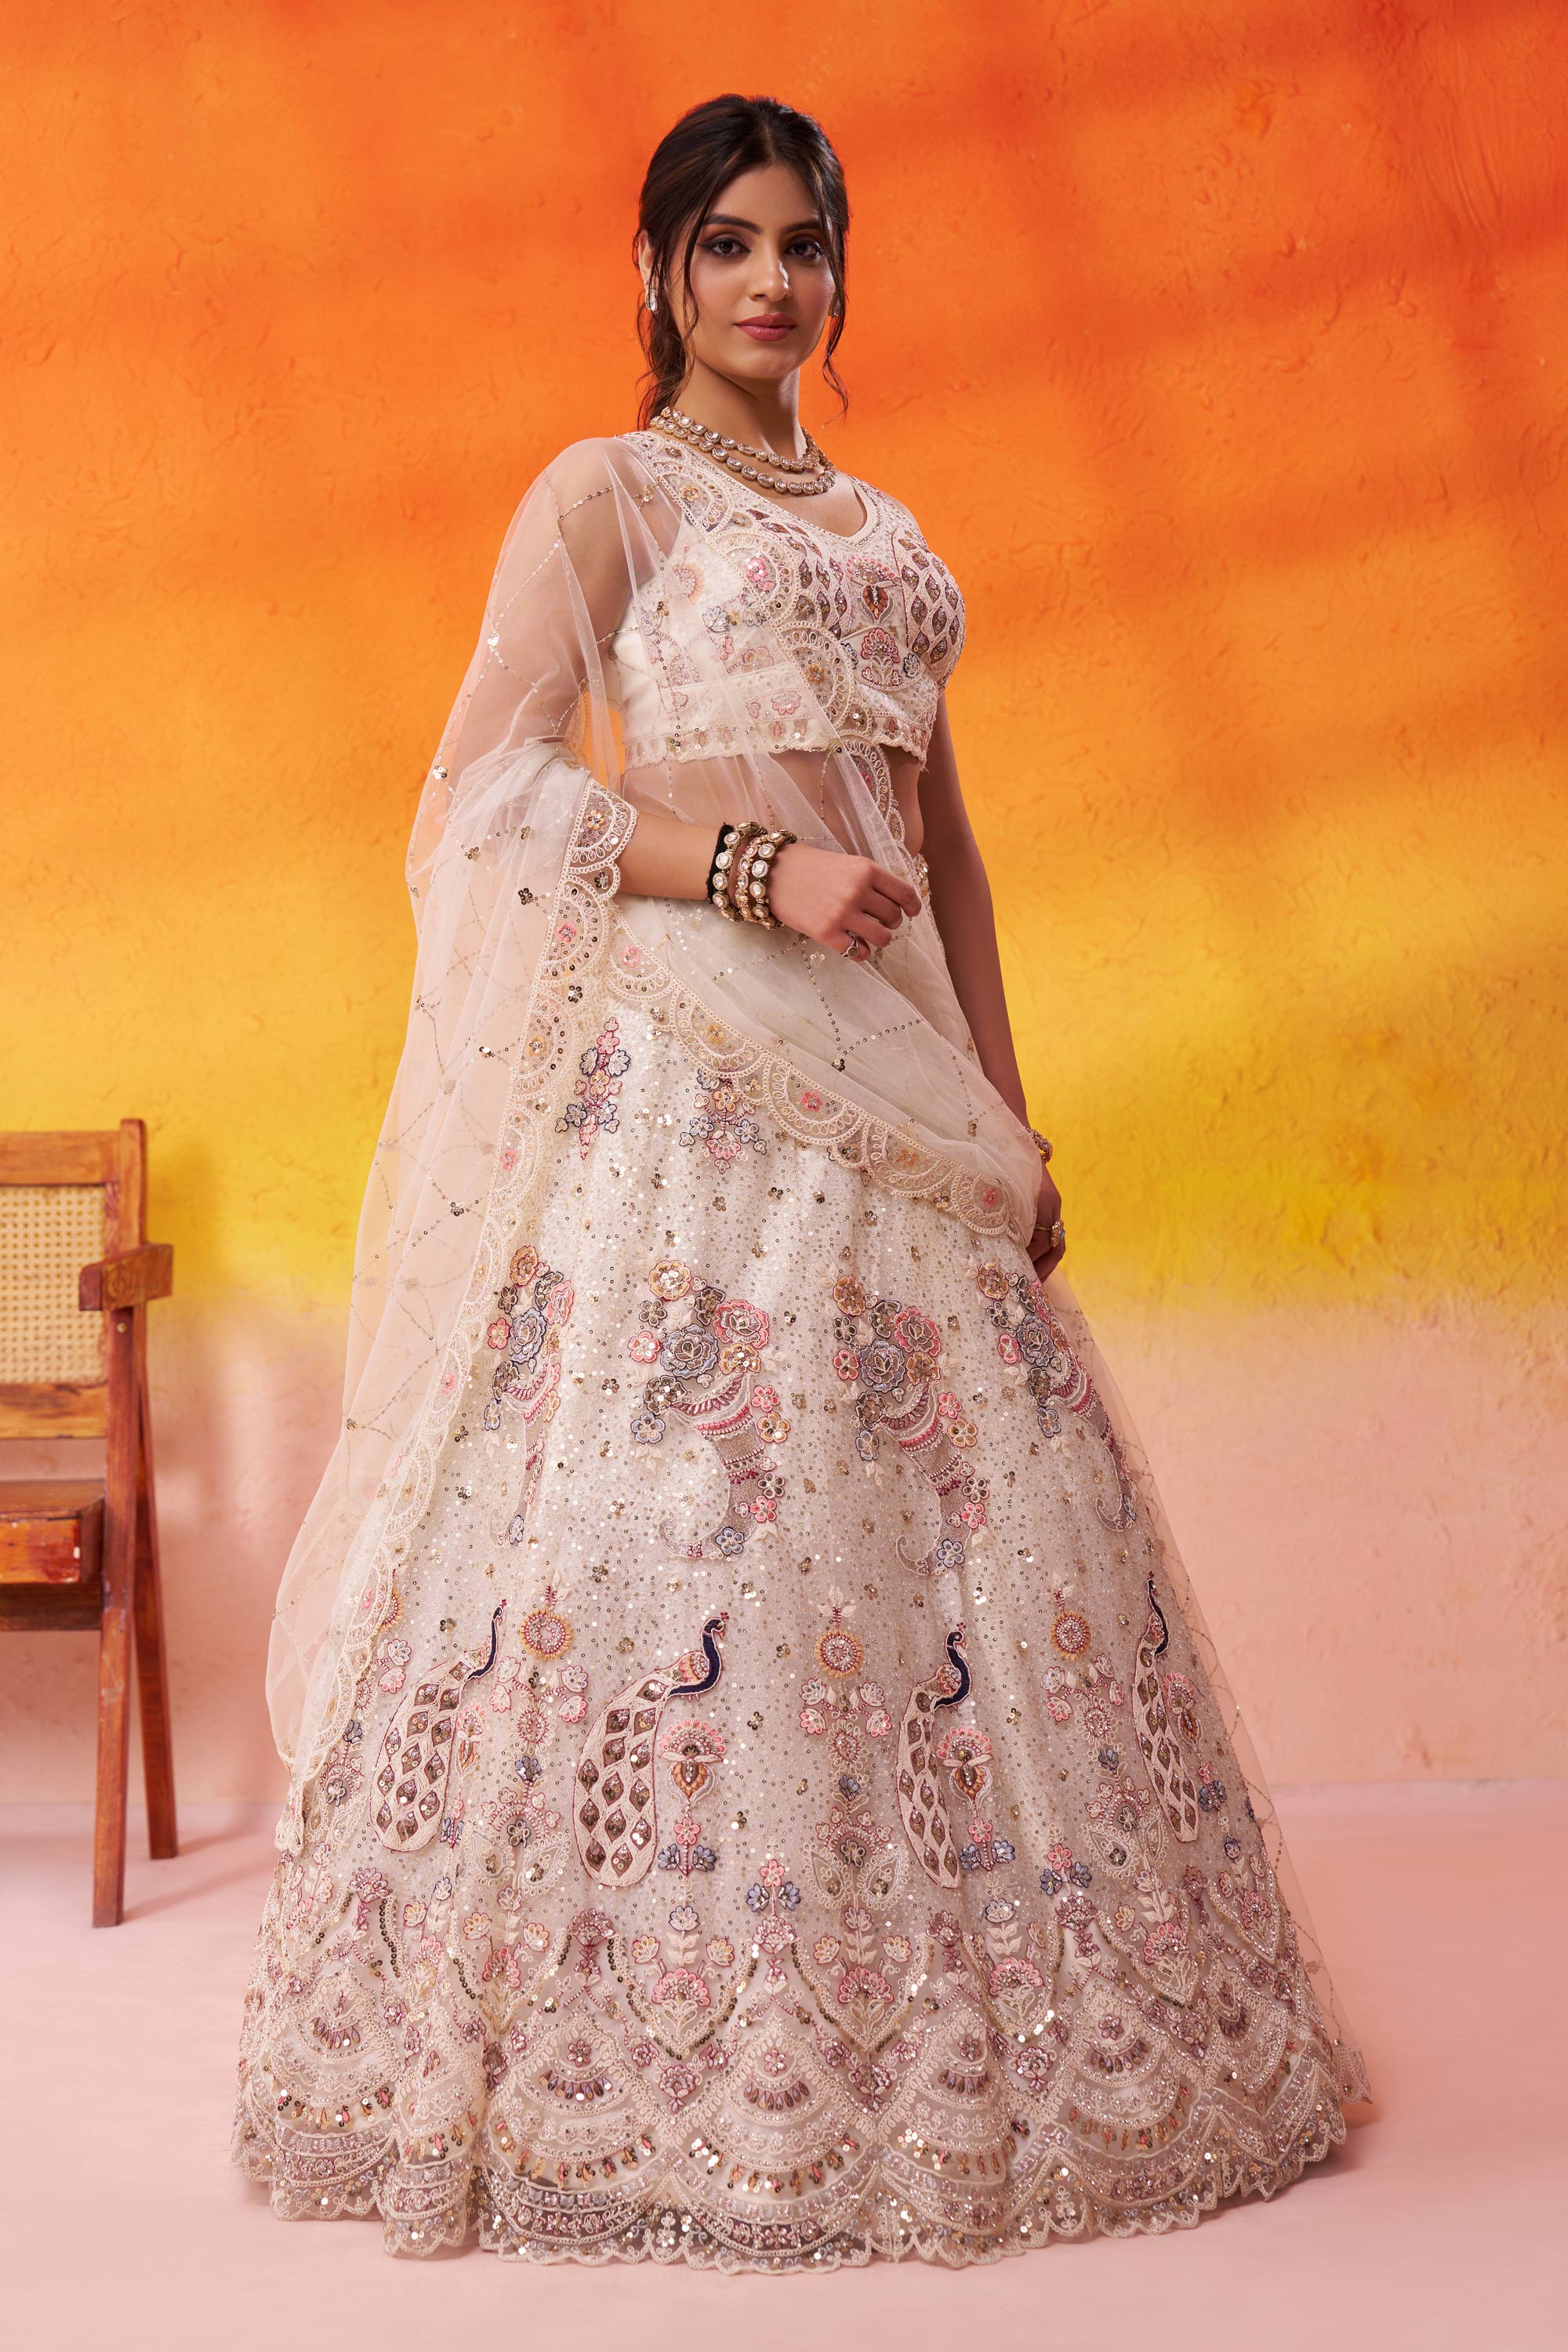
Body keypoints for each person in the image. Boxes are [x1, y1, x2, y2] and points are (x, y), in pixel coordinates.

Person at [232, 91, 1370, 2270]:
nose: (773, 282)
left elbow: (948, 849)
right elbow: (484, 799)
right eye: (731, 243)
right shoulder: (609, 497)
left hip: (902, 1096)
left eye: (806, 245)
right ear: (659, 270)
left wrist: (1010, 1111)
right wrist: (758, 867)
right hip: (691, 1091)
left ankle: (944, 2016)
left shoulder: (888, 530)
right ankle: (665, 2041)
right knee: (690, 1528)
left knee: (940, 1551)